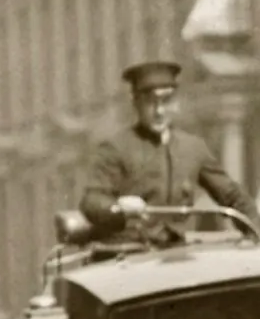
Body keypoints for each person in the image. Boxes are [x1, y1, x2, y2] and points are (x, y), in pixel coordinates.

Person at [77, 59, 250, 240]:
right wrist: (118, 207)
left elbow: (232, 196)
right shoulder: (115, 148)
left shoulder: (192, 148)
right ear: (135, 103)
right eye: (150, 102)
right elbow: (92, 201)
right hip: (127, 252)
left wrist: (259, 236)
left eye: (166, 101)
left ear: (176, 103)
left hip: (177, 254)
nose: (159, 111)